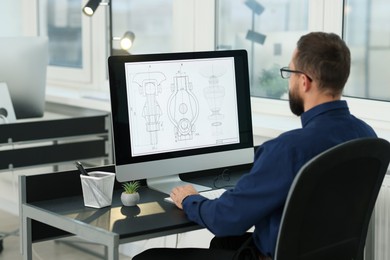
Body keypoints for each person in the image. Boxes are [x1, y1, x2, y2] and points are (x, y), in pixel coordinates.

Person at [133, 32, 377, 260]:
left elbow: (225, 219)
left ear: (304, 81)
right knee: (225, 243)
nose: (289, 81)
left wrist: (189, 200)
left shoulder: (288, 150)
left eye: (289, 73)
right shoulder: (367, 137)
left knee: (147, 257)